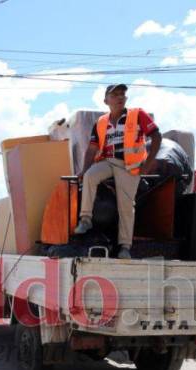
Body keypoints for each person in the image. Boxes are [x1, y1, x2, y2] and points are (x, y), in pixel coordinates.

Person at [75, 84, 161, 259]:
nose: (120, 97)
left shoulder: (137, 114)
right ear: (106, 100)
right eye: (115, 94)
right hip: (108, 161)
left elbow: (157, 136)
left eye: (122, 94)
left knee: (126, 206)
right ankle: (85, 219)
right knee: (90, 176)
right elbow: (92, 149)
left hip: (130, 166)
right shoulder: (101, 122)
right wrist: (83, 170)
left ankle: (125, 247)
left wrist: (147, 165)